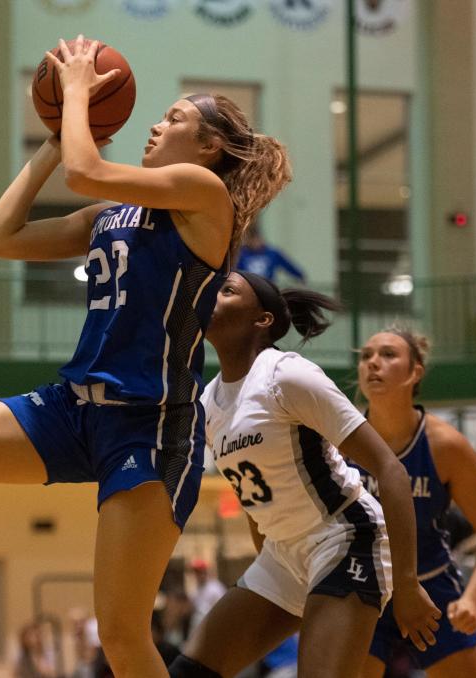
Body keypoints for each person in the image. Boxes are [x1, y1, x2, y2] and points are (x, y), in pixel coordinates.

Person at [0, 35, 292, 678]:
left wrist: (77, 92)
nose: (157, 124)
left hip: (150, 421)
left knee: (121, 635)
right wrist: (53, 142)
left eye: (175, 119)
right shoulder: (116, 213)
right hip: (74, 407)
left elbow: (87, 170)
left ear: (208, 148)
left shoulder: (203, 195)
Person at [168, 271, 440, 678]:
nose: (212, 296)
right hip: (283, 553)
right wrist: (266, 568)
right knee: (189, 671)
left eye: (227, 290)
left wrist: (406, 582)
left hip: (346, 539)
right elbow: (254, 498)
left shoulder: (286, 375)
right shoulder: (208, 402)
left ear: (262, 319)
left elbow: (390, 470)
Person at [354, 327, 476, 677]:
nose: (373, 362)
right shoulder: (339, 439)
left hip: (432, 585)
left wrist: (473, 598)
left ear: (415, 372)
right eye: (366, 356)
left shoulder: (446, 445)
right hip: (361, 586)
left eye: (388, 355)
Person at [235, 227, 305, 284]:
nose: (255, 243)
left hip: (268, 285)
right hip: (249, 285)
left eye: (256, 239)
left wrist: (299, 275)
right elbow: (236, 270)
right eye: (251, 240)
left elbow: (287, 265)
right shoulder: (242, 254)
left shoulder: (272, 253)